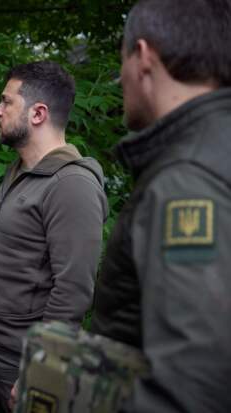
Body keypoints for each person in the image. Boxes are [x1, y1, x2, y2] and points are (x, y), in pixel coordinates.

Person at [90, 0, 231, 411]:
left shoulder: (187, 182)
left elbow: (194, 385)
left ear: (144, 56)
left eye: (122, 62)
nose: (120, 79)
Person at [0, 61, 108, 412]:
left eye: (6, 102)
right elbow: (6, 258)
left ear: (38, 113)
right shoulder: (19, 173)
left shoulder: (72, 185)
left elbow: (73, 289)